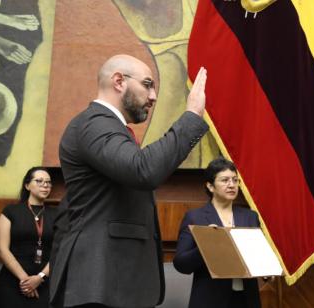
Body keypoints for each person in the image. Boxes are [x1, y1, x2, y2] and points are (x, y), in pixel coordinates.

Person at [50, 54, 209, 308]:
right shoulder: (95, 123)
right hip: (99, 280)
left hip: (114, 280)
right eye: (147, 84)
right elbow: (143, 169)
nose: (154, 96)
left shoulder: (108, 126)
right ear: (118, 81)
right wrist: (191, 116)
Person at [173, 157, 261, 308]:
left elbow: (259, 256)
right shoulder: (195, 217)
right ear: (210, 186)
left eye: (235, 180)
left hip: (247, 299)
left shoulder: (250, 216)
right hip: (210, 300)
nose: (231, 185)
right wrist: (206, 245)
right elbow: (181, 264)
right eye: (225, 180)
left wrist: (267, 272)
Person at [0, 167, 58, 307]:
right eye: (39, 181)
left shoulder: (58, 214)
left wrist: (39, 278)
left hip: (44, 282)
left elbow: (59, 250)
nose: (45, 185)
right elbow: (2, 249)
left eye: (48, 182)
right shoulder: (11, 211)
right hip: (12, 281)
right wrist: (25, 280)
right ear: (27, 185)